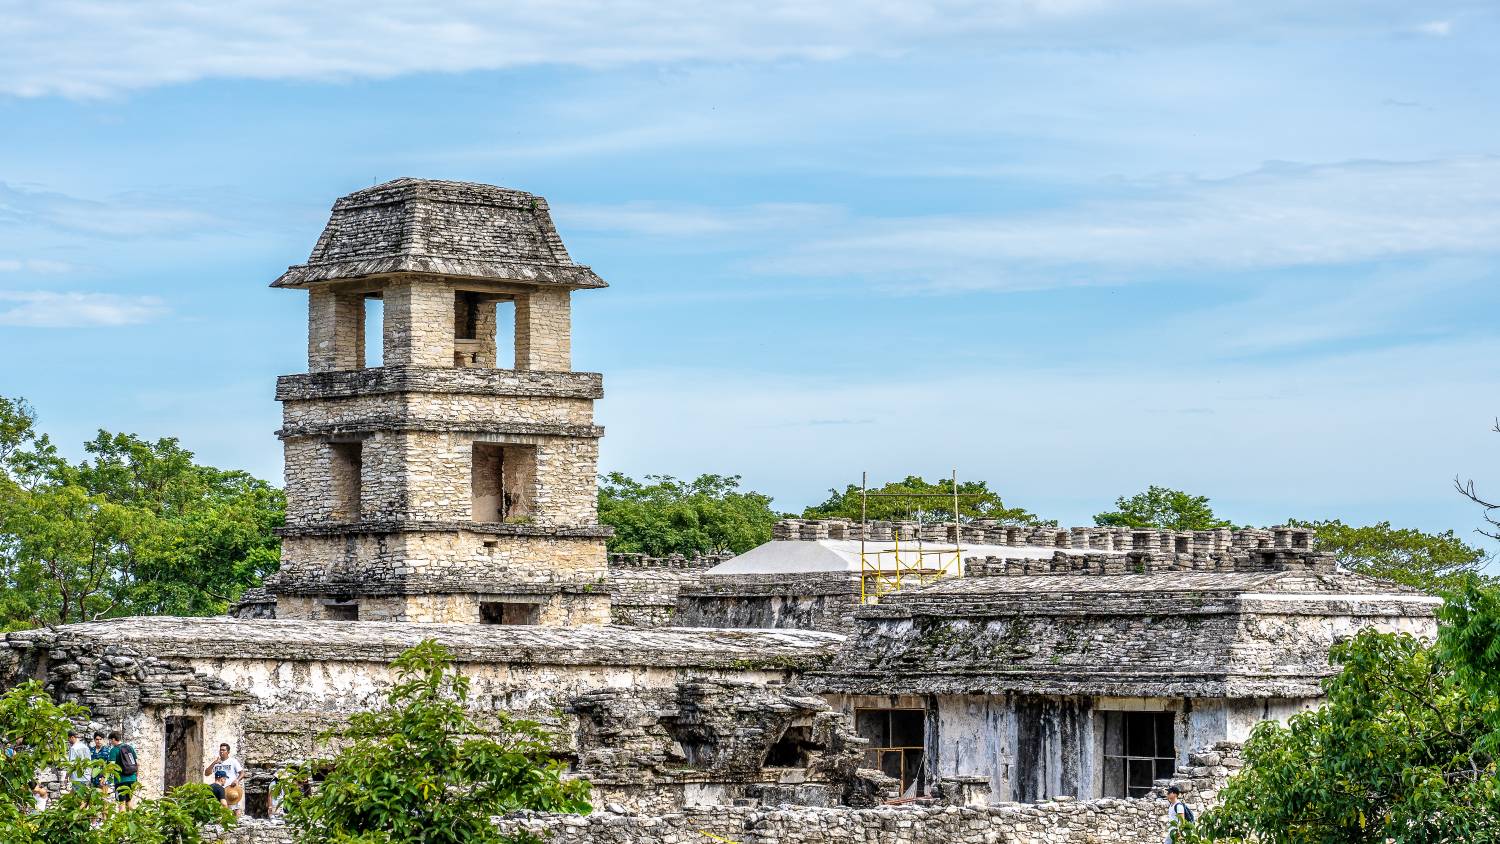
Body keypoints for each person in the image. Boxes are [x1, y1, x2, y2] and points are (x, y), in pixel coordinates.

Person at [204, 743, 244, 816]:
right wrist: (214, 763)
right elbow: (206, 773)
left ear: (228, 752)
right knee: (221, 809)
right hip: (219, 790)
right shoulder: (216, 763)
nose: (221, 751)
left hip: (231, 789)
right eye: (220, 750)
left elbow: (242, 773)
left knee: (235, 809)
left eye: (223, 750)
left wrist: (237, 780)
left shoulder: (233, 761)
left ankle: (238, 825)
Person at [105, 731, 138, 807]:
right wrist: (136, 777)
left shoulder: (114, 750)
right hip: (132, 779)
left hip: (121, 780)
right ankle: (132, 818)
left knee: (121, 803)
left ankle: (121, 819)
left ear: (113, 739)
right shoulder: (130, 748)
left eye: (110, 740)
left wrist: (106, 777)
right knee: (129, 801)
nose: (110, 742)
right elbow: (137, 763)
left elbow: (111, 765)